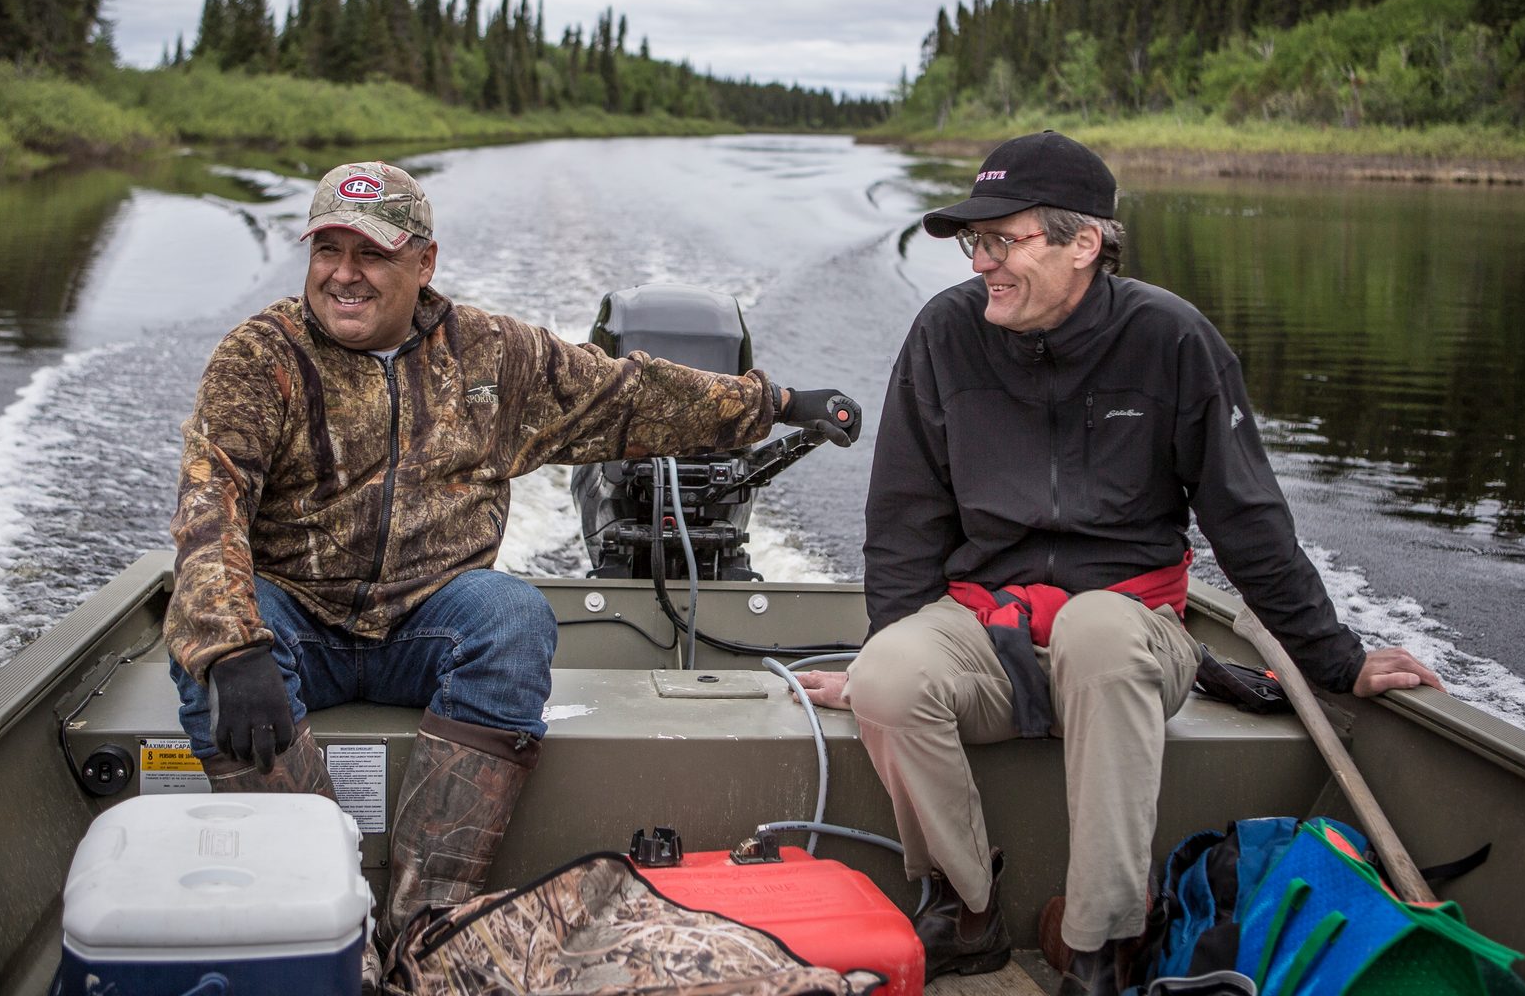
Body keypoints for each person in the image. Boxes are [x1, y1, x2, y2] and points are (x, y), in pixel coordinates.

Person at [796, 132, 1440, 994]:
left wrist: (1340, 661)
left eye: (1004, 240)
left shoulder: (1172, 342)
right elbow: (904, 522)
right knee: (886, 679)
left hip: (1133, 634)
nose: (982, 261)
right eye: (973, 241)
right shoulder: (946, 335)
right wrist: (884, 650)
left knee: (1098, 628)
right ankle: (967, 907)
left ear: (1083, 244)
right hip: (986, 629)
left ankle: (1103, 947)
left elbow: (1249, 523)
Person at [164, 159, 861, 947]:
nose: (344, 275)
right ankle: (321, 917)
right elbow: (209, 503)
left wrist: (777, 403)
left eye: (372, 254)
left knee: (514, 617)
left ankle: (426, 918)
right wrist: (232, 646)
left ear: (423, 263)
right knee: (209, 667)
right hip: (300, 615)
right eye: (327, 250)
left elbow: (628, 392)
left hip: (428, 620)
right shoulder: (260, 358)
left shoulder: (491, 355)